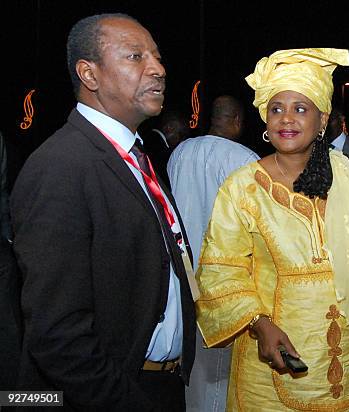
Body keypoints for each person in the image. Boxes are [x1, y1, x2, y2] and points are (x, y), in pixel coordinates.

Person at [196, 48, 349, 410]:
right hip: (271, 368)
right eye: (276, 108)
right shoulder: (243, 187)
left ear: (324, 119)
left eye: (300, 109)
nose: (287, 118)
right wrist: (260, 323)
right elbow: (222, 270)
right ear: (265, 122)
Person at [10, 13, 195, 410]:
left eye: (158, 57)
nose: (158, 69)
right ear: (89, 75)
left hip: (161, 385)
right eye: (135, 56)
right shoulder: (61, 166)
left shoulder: (135, 156)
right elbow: (57, 333)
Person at [167, 95, 259, 412]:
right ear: (236, 120)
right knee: (219, 368)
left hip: (183, 273)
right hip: (222, 276)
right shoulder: (244, 158)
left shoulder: (180, 151)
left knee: (192, 362)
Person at [141, 109, 190, 186]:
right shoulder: (162, 153)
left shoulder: (145, 139)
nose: (181, 141)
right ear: (170, 127)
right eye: (181, 134)